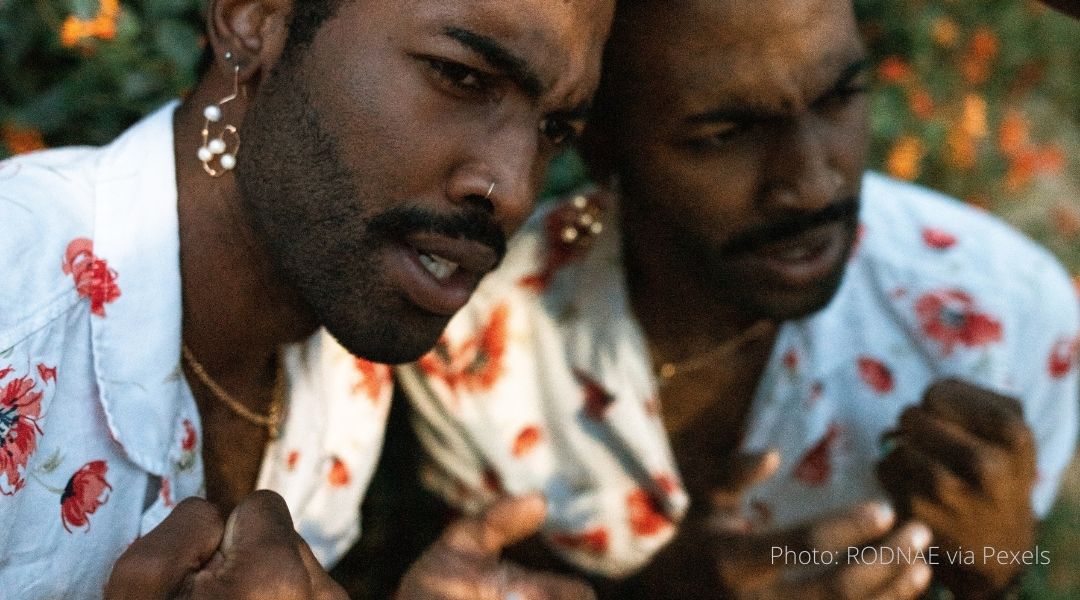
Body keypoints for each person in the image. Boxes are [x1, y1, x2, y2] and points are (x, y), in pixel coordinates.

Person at [397, 0, 1080, 598]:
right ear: (597, 138)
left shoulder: (1010, 317)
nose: (812, 185)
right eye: (725, 135)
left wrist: (994, 575)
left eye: (839, 97)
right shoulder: (472, 333)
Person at [0, 0, 614, 597]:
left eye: (554, 128)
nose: (512, 188)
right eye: (460, 76)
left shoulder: (348, 360)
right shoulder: (16, 318)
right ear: (255, 19)